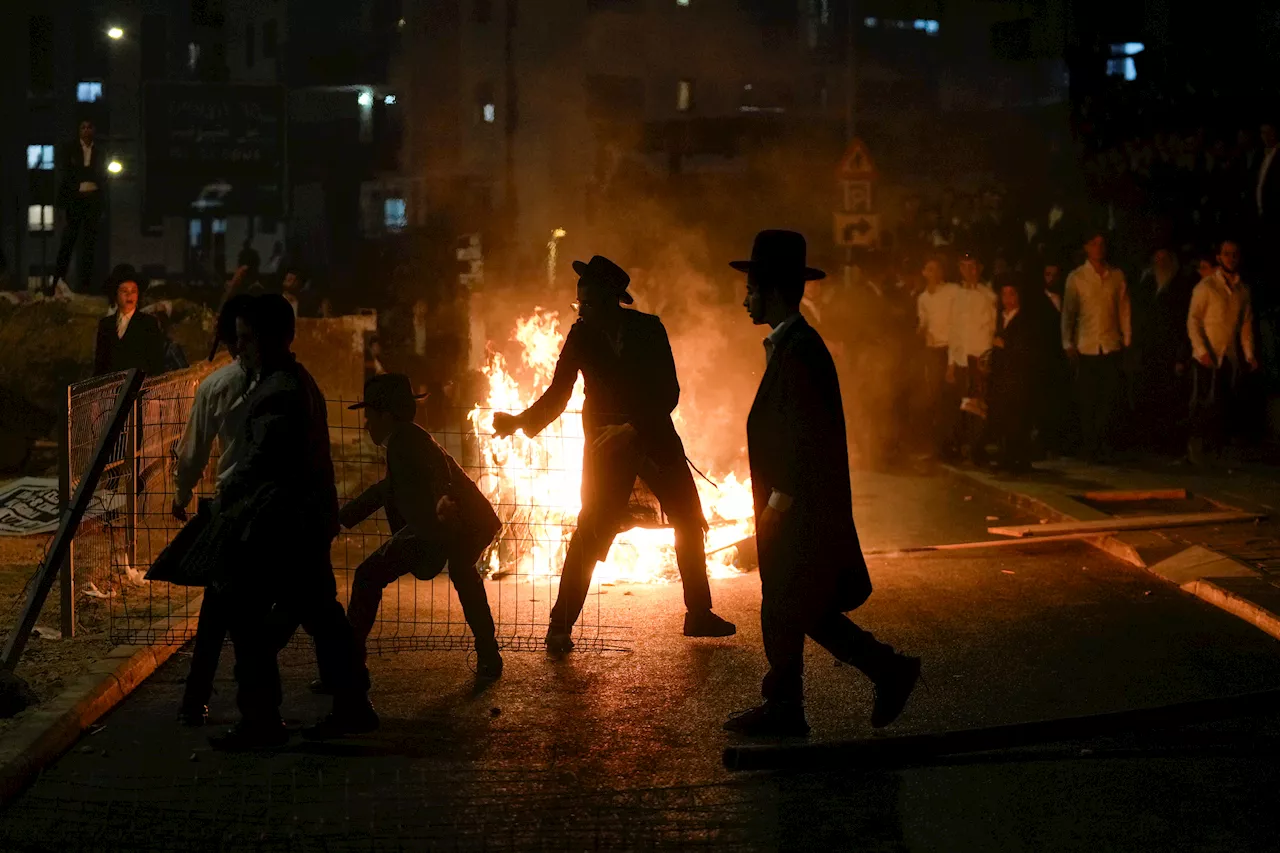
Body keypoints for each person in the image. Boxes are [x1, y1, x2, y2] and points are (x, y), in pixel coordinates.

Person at [725, 230, 919, 737]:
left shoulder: (802, 350)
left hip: (800, 509)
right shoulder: (789, 345)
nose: (744, 299)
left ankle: (870, 676)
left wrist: (778, 504)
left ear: (772, 290)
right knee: (795, 604)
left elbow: (805, 435)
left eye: (751, 289)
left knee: (793, 603)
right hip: (795, 506)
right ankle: (809, 696)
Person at [491, 255, 735, 652]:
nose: (580, 311)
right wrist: (520, 421)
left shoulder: (649, 330)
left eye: (587, 303)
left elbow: (668, 391)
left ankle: (699, 614)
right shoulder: (580, 336)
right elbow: (559, 392)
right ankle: (560, 626)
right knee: (590, 531)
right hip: (607, 449)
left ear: (612, 300)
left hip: (653, 438)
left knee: (689, 520)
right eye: (578, 304)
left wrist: (633, 427)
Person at [208, 294, 376, 750]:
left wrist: (226, 494)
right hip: (300, 520)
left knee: (251, 619)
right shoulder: (293, 381)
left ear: (268, 340)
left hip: (282, 525)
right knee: (322, 616)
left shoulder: (278, 391)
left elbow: (264, 461)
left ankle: (263, 721)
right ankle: (351, 706)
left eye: (245, 340)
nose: (238, 349)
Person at [338, 374, 503, 676]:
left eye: (369, 416)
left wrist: (442, 500)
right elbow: (386, 489)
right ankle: (489, 655)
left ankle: (347, 668)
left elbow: (436, 472)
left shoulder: (405, 441)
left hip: (457, 521)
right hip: (463, 521)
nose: (367, 424)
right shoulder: (406, 438)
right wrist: (343, 517)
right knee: (462, 574)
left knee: (367, 575)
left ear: (386, 415)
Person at [170, 294, 257, 726]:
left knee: (221, 607)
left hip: (235, 507)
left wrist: (181, 495)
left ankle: (201, 699)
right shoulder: (290, 382)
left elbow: (192, 453)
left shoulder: (216, 386)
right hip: (278, 507)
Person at [1061, 229, 1131, 461]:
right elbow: (1069, 312)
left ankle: (1105, 444)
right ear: (1086, 248)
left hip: (1111, 344)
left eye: (1102, 244)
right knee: (1088, 398)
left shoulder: (1117, 276)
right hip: (1087, 345)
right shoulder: (1077, 277)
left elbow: (1123, 309)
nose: (1099, 248)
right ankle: (1090, 444)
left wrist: (1127, 338)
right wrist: (1067, 341)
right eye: (1094, 244)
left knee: (1108, 398)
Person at [1187, 239, 1258, 461]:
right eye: (1226, 254)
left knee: (1224, 401)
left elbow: (1245, 325)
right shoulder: (1206, 287)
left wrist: (1249, 354)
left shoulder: (1242, 290)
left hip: (1229, 355)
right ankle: (1197, 447)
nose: (1231, 258)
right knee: (1204, 401)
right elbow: (1193, 320)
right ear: (1219, 257)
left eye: (1234, 254)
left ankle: (1216, 448)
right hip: (1208, 354)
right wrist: (1200, 350)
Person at [1130, 247, 1195, 454]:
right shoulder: (1147, 285)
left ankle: (1172, 444)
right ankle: (1151, 441)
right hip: (1150, 351)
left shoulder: (1182, 288)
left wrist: (1181, 356)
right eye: (1157, 259)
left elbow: (1185, 324)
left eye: (1165, 259)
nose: (1161, 263)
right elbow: (1139, 317)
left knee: (1172, 399)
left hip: (1172, 352)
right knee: (1150, 396)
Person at [945, 252, 997, 462]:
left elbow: (992, 329)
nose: (969, 271)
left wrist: (987, 359)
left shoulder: (989, 296)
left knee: (979, 405)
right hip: (961, 358)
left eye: (973, 266)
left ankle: (977, 447)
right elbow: (953, 330)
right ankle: (960, 445)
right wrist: (950, 363)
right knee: (962, 405)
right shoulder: (956, 296)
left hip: (979, 357)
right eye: (964, 266)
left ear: (980, 268)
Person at [52, 119, 107, 295]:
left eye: (89, 127)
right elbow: (66, 174)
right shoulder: (70, 150)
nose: (86, 130)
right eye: (83, 127)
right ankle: (57, 281)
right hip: (75, 200)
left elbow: (103, 177)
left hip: (93, 200)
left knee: (89, 243)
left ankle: (86, 285)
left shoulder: (100, 152)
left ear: (94, 130)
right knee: (69, 240)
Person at [989, 283, 1038, 472]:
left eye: (1012, 294)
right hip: (1002, 375)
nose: (1008, 299)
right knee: (1004, 416)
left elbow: (1026, 348)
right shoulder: (1000, 318)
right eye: (1004, 295)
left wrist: (1005, 345)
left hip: (1018, 375)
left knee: (1018, 418)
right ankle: (1007, 456)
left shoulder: (1024, 319)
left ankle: (1020, 458)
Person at [916, 255, 959, 457]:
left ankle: (951, 443)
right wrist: (920, 330)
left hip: (950, 349)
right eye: (929, 269)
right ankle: (936, 443)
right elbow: (923, 322)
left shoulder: (952, 291)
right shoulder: (923, 298)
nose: (933, 273)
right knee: (933, 397)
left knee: (950, 398)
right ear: (924, 273)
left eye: (937, 269)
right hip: (932, 352)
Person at [93, 265, 167, 377]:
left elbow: (157, 364)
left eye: (133, 291)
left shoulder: (148, 323)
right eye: (124, 291)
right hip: (112, 389)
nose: (129, 295)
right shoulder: (106, 325)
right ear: (115, 294)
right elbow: (100, 365)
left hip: (139, 388)